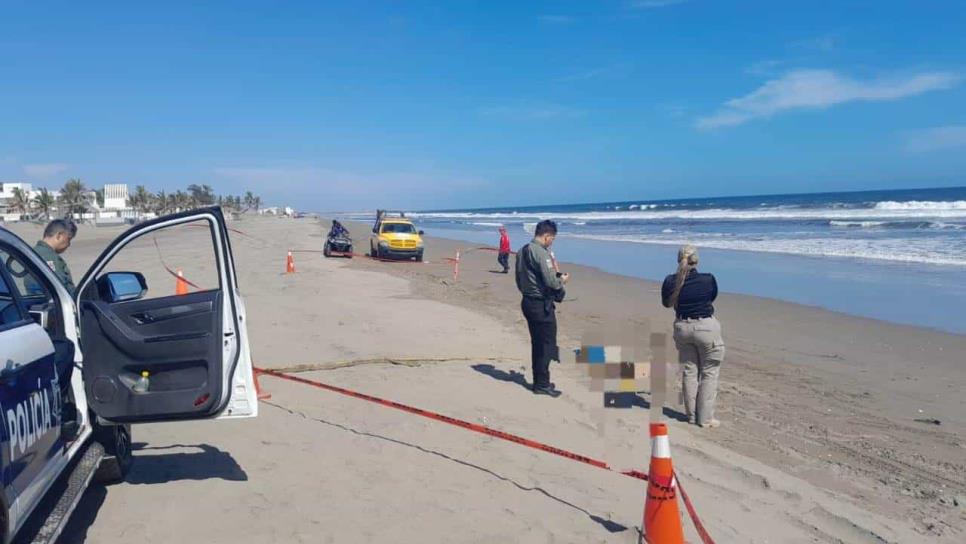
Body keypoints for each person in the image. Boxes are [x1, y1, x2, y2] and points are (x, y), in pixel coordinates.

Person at [661, 245, 724, 428]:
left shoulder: (670, 281)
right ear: (696, 260)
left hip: (682, 327)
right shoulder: (708, 279)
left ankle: (691, 416)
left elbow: (666, 303)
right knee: (709, 373)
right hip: (705, 326)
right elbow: (711, 298)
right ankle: (704, 419)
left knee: (689, 371)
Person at [515, 220, 569, 397]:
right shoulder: (540, 252)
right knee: (546, 345)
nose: (552, 242)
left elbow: (519, 279)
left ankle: (540, 381)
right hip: (539, 305)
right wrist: (562, 279)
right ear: (546, 236)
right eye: (552, 239)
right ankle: (542, 384)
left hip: (528, 301)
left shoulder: (522, 251)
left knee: (538, 343)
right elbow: (552, 281)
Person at [34, 219, 77, 295]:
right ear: (59, 236)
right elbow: (61, 288)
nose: (69, 244)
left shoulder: (34, 252)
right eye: (68, 239)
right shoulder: (49, 257)